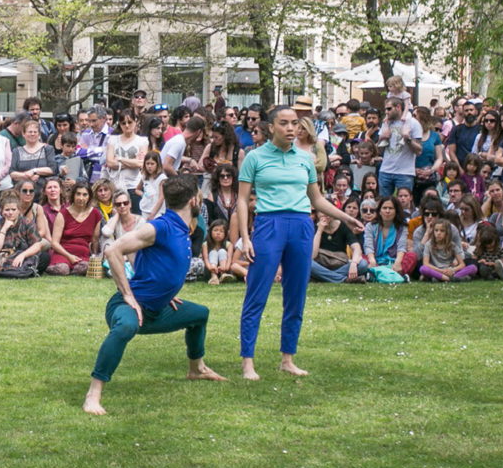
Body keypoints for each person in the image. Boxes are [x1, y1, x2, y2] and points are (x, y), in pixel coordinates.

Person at [234, 107, 365, 379]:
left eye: (295, 123)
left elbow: (317, 200)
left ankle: (288, 359)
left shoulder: (306, 159)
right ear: (271, 127)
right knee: (256, 294)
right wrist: (245, 238)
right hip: (269, 224)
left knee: (296, 295)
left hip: (302, 225)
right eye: (284, 123)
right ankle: (248, 361)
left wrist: (347, 218)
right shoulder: (254, 157)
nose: (291, 128)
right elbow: (243, 201)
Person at [82, 175, 224, 415]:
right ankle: (93, 394)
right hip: (129, 307)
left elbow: (149, 260)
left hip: (158, 307)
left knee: (199, 315)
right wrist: (127, 294)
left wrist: (164, 291)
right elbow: (113, 250)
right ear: (194, 200)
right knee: (125, 328)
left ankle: (196, 368)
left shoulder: (181, 226)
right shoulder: (161, 226)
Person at [374, 97, 423, 199]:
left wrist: (407, 139)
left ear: (398, 107)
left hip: (404, 172)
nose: (386, 112)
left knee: (403, 203)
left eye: (389, 109)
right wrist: (381, 138)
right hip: (386, 170)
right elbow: (379, 151)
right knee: (383, 201)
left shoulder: (412, 123)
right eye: (385, 109)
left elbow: (419, 151)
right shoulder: (386, 123)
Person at [0, 197, 45, 277]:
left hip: (23, 256)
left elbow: (37, 245)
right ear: (1, 211)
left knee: (45, 257)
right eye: (7, 210)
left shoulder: (27, 223)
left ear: (18, 211)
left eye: (13, 210)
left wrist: (22, 255)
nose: (10, 213)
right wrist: (4, 229)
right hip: (3, 257)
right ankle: (6, 269)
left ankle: (26, 270)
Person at [309, 211, 363, 283]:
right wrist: (319, 230)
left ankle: (321, 277)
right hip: (320, 263)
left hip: (340, 264)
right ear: (317, 214)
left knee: (363, 264)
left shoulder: (343, 226)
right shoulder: (313, 227)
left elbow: (356, 247)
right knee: (308, 264)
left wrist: (354, 263)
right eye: (321, 212)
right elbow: (313, 255)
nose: (325, 214)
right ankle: (343, 279)